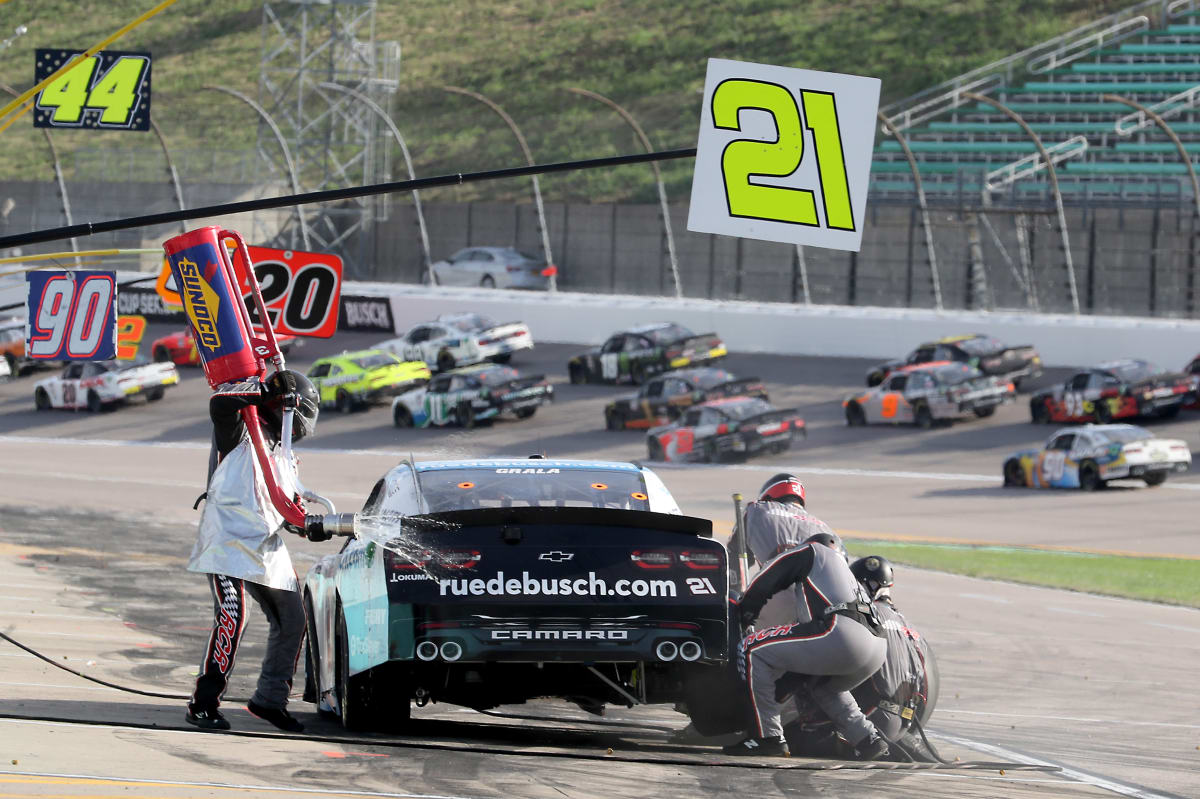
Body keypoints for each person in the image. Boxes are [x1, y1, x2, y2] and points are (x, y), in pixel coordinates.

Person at [185, 370, 330, 733]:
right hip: (226, 541)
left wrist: (311, 527)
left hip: (265, 546)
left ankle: (269, 701)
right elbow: (218, 403)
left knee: (294, 619)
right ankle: (202, 704)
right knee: (234, 618)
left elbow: (289, 511)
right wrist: (261, 391)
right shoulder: (239, 431)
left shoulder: (286, 456)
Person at [724, 530, 889, 759]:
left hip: (843, 632)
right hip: (877, 646)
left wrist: (746, 609)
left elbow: (771, 575)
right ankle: (867, 738)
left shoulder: (814, 552)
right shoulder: (846, 580)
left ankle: (767, 738)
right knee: (823, 686)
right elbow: (798, 669)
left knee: (753, 649)